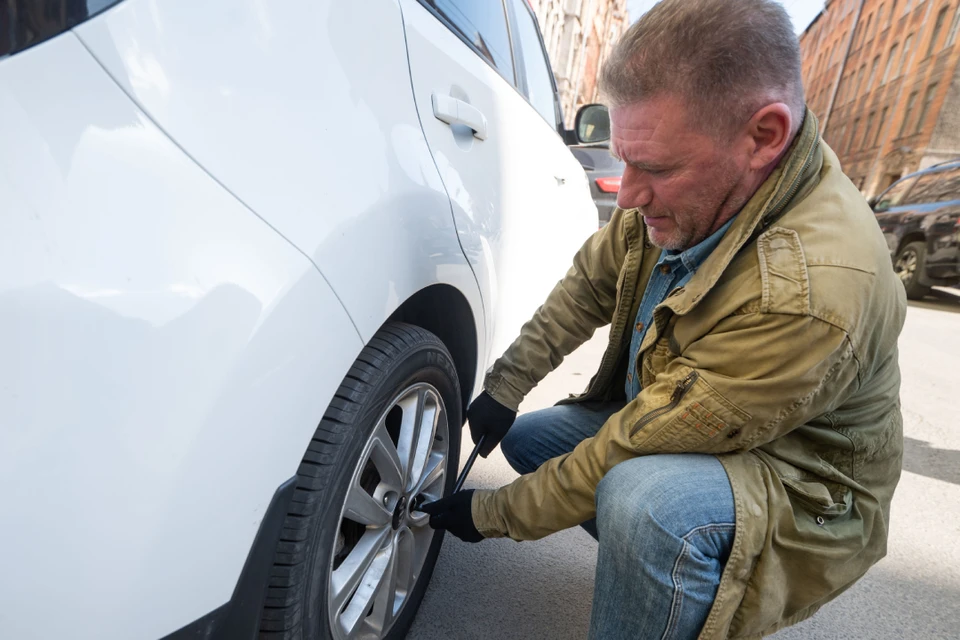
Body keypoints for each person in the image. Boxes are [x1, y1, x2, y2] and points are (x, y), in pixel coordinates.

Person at [421, 0, 907, 637]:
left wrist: (491, 515)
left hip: (803, 489)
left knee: (645, 503)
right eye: (626, 160)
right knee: (530, 439)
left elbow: (635, 445)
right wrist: (504, 388)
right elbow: (587, 288)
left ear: (763, 136)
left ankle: (673, 568)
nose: (626, 193)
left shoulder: (808, 292)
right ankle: (658, 577)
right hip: (698, 422)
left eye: (653, 167)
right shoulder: (693, 193)